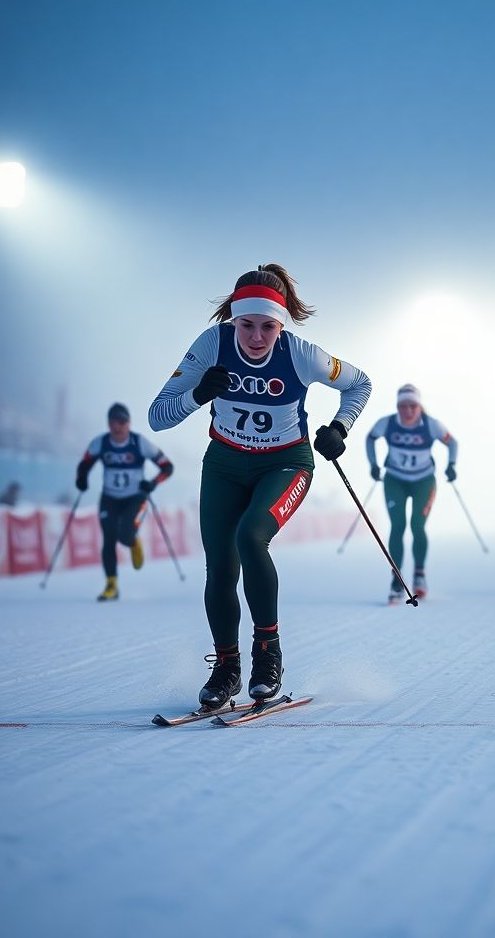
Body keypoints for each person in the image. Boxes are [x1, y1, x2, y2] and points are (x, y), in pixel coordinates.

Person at [148, 264, 371, 709]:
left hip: (285, 464)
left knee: (251, 537)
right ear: (231, 319)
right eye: (246, 325)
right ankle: (227, 668)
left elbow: (359, 383)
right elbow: (158, 415)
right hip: (225, 466)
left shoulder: (302, 353)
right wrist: (197, 395)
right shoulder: (211, 345)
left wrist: (340, 428)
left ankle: (267, 655)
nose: (255, 337)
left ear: (281, 324)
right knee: (220, 565)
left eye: (268, 326)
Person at [366, 384, 457, 603]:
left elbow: (452, 442)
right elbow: (370, 438)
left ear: (419, 406)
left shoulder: (431, 425)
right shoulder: (387, 423)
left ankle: (419, 574)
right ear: (397, 407)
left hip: (423, 481)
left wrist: (451, 465)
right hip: (395, 480)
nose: (408, 411)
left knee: (417, 525)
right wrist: (373, 464)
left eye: (413, 406)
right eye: (403, 406)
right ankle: (396, 580)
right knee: (397, 526)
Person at [75, 403, 174, 602]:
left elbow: (167, 467)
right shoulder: (100, 443)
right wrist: (82, 479)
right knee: (109, 538)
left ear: (128, 423)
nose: (118, 427)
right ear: (108, 424)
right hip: (110, 498)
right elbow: (85, 463)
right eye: (114, 422)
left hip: (135, 498)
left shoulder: (139, 443)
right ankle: (111, 585)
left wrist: (153, 483)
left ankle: (132, 540)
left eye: (122, 422)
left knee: (125, 535)